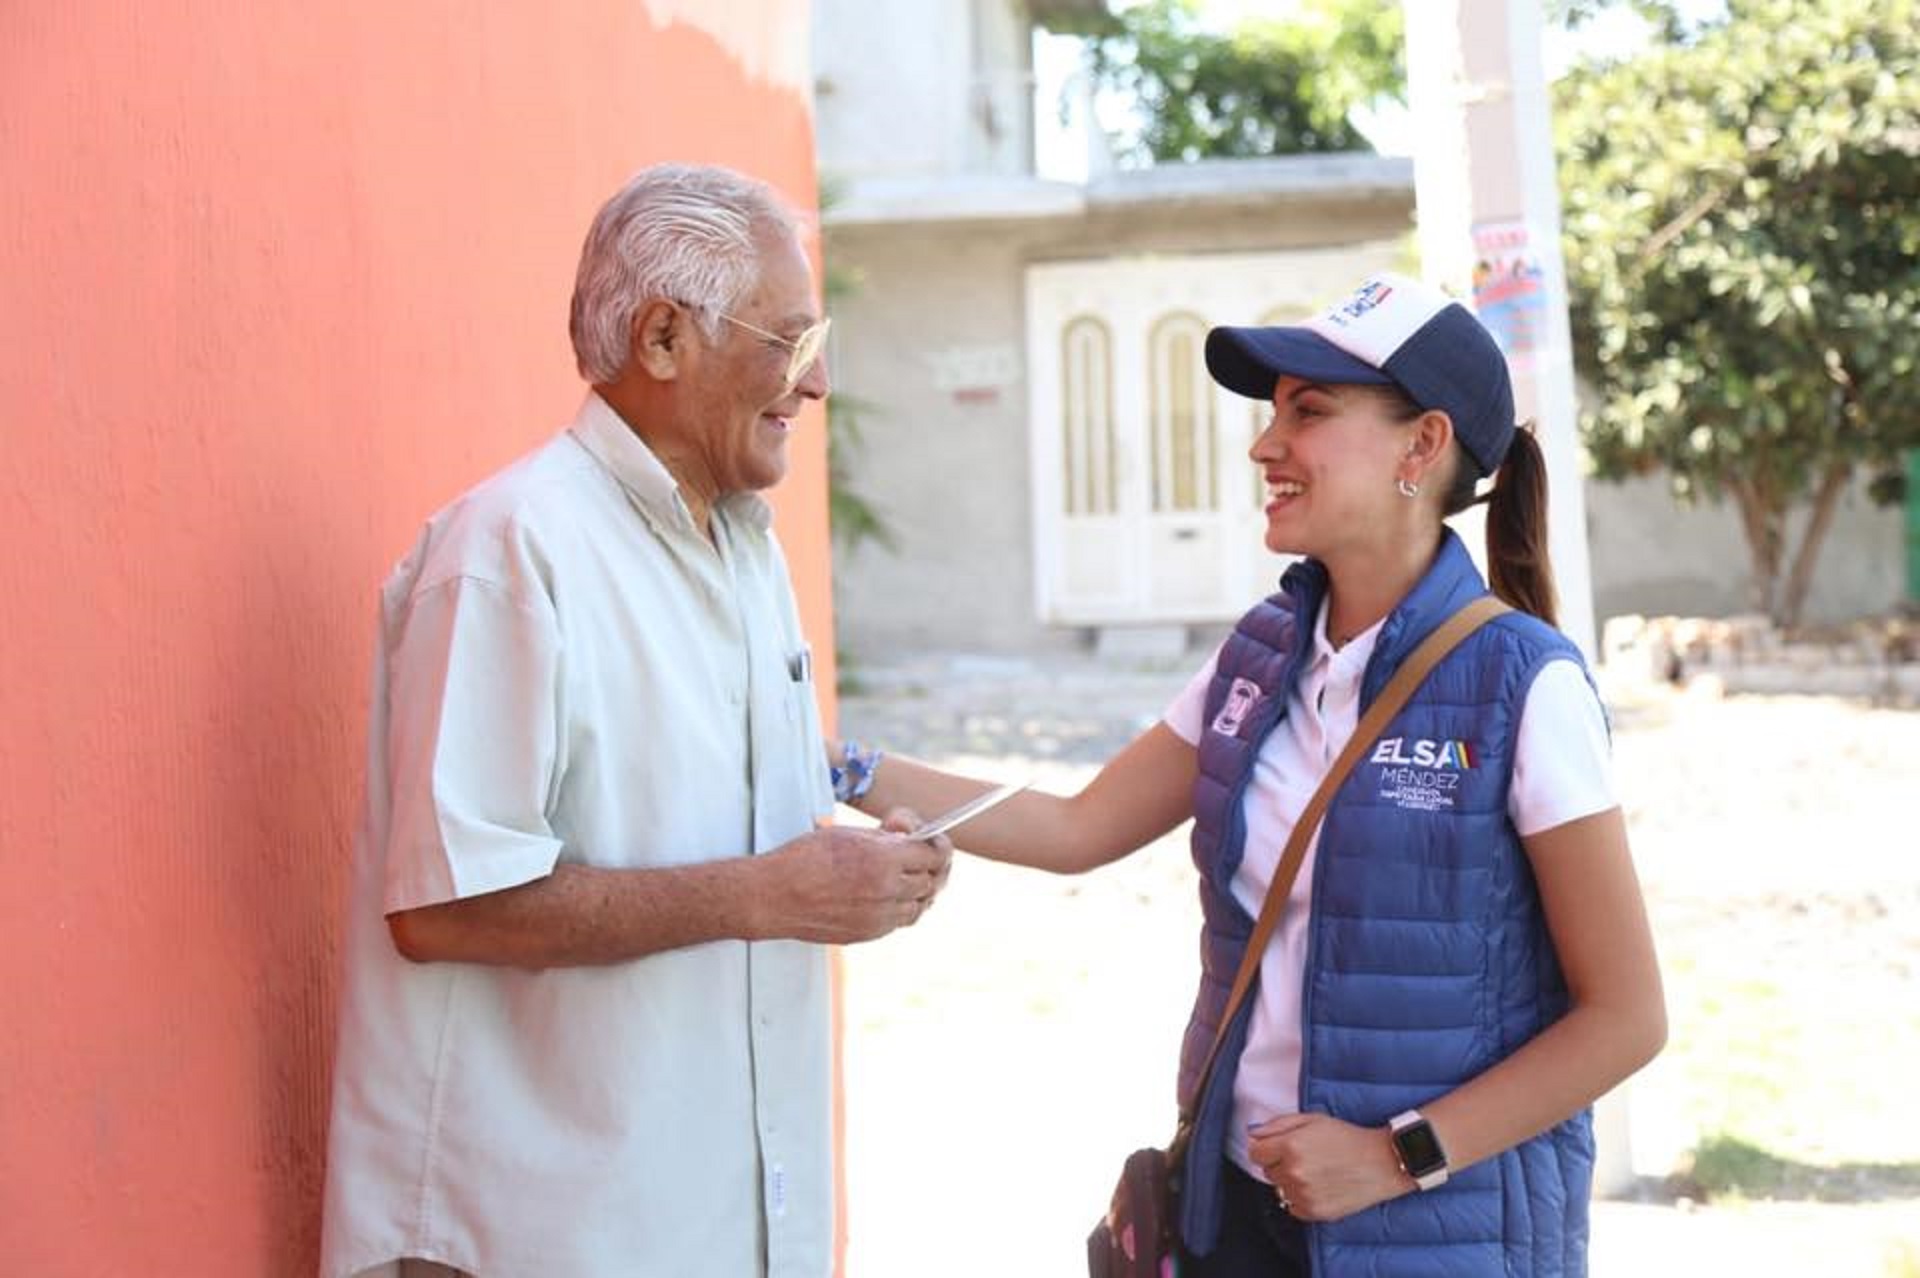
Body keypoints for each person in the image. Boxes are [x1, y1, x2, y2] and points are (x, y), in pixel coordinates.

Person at [832, 274, 1666, 1276]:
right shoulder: (1266, 652)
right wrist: (841, 767)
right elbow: (1074, 827)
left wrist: (1395, 1157)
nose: (1266, 443)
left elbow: (1625, 1017)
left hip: (1433, 1238)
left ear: (1423, 445)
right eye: (1272, 412)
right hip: (1238, 1217)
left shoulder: (1523, 687)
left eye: (1308, 411)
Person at [319, 163, 951, 1278]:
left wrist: (856, 873)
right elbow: (446, 909)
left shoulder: (746, 551)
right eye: (793, 341)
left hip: (714, 1218)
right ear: (664, 340)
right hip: (539, 1234)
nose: (817, 383)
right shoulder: (511, 552)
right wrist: (769, 894)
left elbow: (742, 828)